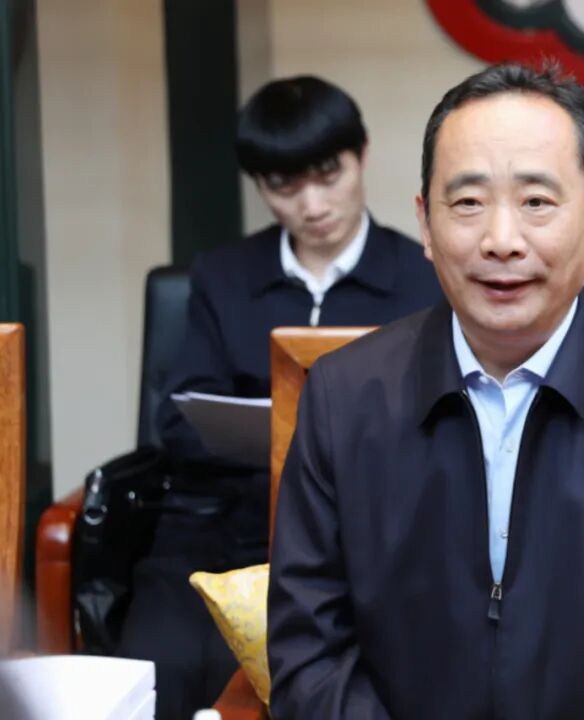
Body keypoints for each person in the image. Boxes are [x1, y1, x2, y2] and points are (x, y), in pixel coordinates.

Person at [268, 62, 584, 719]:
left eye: (537, 203)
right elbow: (309, 652)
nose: (502, 241)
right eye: (468, 203)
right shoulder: (343, 396)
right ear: (425, 223)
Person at [117, 75, 443, 720]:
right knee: (158, 668)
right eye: (284, 187)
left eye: (328, 175)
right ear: (259, 186)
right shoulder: (224, 275)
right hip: (222, 526)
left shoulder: (423, 277)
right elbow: (178, 422)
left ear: (362, 155)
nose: (312, 205)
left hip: (369, 531)